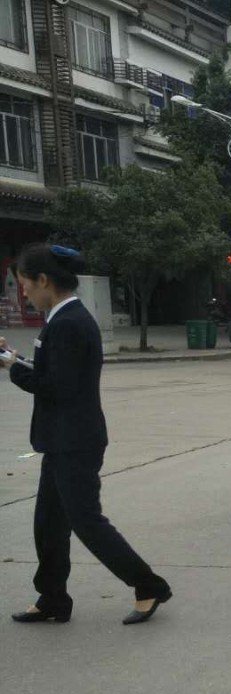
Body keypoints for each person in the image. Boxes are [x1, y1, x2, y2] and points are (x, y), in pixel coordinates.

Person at [0, 244, 172, 625]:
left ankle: (149, 586)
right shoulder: (63, 319)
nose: (23, 294)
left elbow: (55, 387)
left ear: (44, 280)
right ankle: (53, 599)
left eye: (25, 285)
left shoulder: (71, 323)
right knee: (48, 524)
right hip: (61, 439)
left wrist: (13, 368)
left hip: (75, 442)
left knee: (86, 522)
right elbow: (57, 375)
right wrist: (15, 359)